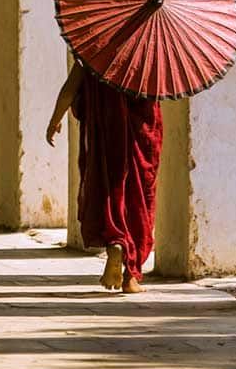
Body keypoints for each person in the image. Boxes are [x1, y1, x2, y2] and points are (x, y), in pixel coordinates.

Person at [46, 60, 164, 294]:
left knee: (108, 188)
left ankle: (115, 242)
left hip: (106, 134)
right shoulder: (148, 50)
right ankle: (131, 277)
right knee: (140, 195)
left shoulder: (94, 49)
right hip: (142, 137)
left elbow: (70, 88)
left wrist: (54, 120)